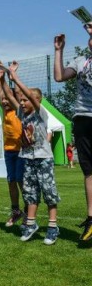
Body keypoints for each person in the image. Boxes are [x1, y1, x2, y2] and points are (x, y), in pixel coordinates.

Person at [9, 61, 61, 244]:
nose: (22, 103)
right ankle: (31, 224)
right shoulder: (22, 114)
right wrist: (10, 78)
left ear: (36, 101)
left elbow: (27, 94)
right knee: (30, 193)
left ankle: (53, 227)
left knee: (49, 193)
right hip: (28, 158)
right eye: (21, 100)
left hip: (43, 159)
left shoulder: (41, 113)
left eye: (26, 100)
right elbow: (16, 93)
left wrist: (15, 77)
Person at [54, 27, 92, 241]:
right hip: (83, 118)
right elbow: (59, 77)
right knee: (89, 171)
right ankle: (91, 218)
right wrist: (59, 50)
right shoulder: (80, 61)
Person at [0, 62, 26, 228]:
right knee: (11, 181)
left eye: (7, 99)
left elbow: (12, 92)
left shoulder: (17, 109)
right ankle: (16, 210)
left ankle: (28, 211)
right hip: (9, 151)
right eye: (3, 100)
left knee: (21, 181)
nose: (4, 101)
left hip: (21, 151)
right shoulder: (4, 110)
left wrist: (9, 75)